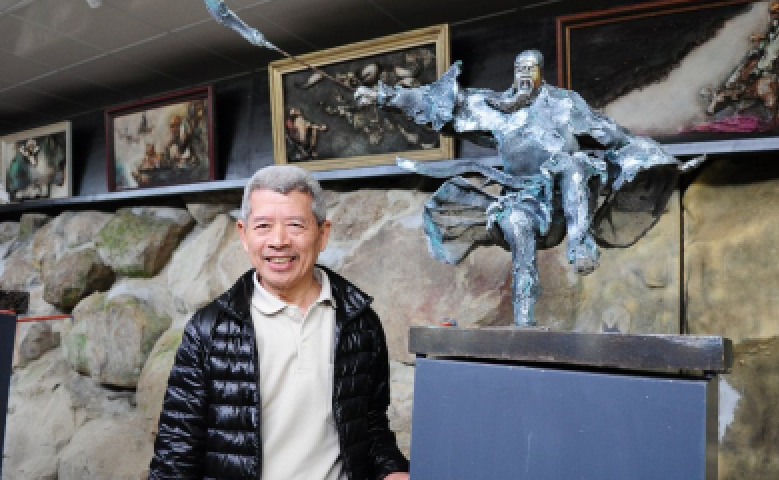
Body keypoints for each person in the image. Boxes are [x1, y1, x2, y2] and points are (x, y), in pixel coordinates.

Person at [356, 50, 699, 327]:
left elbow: (614, 135)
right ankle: (524, 321)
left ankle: (581, 246)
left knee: (572, 164)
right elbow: (443, 103)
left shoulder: (565, 104)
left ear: (540, 73)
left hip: (565, 201)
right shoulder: (497, 110)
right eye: (519, 68)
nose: (523, 74)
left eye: (530, 69)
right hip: (522, 200)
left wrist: (658, 160)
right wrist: (384, 96)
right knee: (517, 225)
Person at [148, 165, 410, 479]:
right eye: (263, 226)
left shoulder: (359, 322)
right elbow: (176, 452)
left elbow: (371, 427)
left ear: (323, 234)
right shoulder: (210, 330)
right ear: (244, 235)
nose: (278, 241)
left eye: (295, 225)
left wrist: (392, 470)